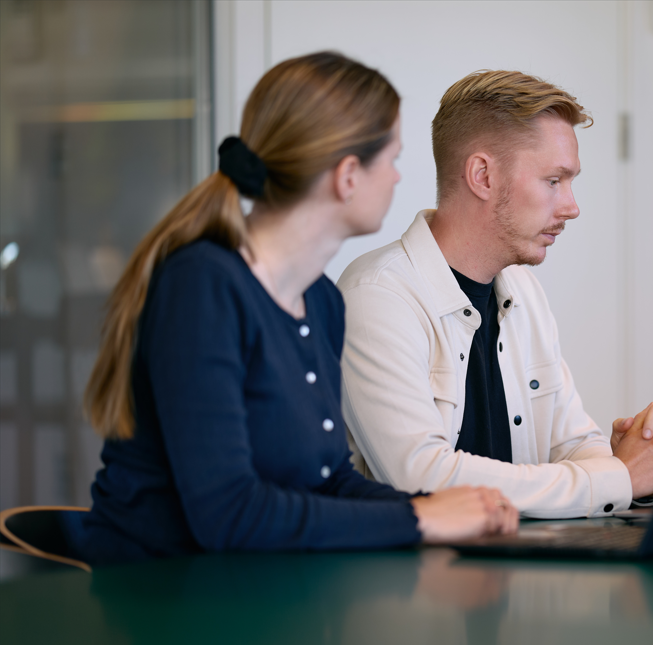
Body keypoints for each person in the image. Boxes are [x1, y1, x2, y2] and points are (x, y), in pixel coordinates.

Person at [79, 52, 517, 566]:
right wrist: (420, 519)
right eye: (392, 160)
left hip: (247, 588)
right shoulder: (202, 286)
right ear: (348, 176)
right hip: (156, 592)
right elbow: (228, 514)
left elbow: (328, 481)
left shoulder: (322, 301)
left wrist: (443, 508)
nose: (398, 178)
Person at [338, 70, 653, 518]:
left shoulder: (523, 290)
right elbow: (423, 478)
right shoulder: (377, 296)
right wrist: (618, 477)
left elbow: (573, 443)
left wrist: (629, 465)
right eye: (554, 180)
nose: (572, 207)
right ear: (482, 176)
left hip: (520, 556)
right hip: (422, 564)